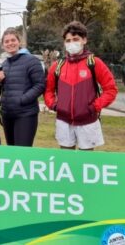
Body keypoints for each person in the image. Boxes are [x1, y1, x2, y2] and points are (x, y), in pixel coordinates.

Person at [44, 21, 118, 150]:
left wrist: (94, 107)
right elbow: (48, 90)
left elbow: (111, 90)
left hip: (88, 122)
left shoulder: (94, 63)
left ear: (84, 40)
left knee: (86, 159)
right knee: (66, 159)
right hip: (63, 122)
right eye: (68, 40)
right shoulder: (57, 66)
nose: (71, 43)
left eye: (75, 39)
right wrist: (54, 105)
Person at [0, 28, 45, 147]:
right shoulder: (4, 64)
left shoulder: (32, 60)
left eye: (13, 40)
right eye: (6, 41)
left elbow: (40, 85)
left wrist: (21, 100)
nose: (10, 43)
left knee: (22, 152)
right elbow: (1, 90)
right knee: (11, 151)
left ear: (19, 42)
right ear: (3, 45)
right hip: (7, 114)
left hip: (25, 114)